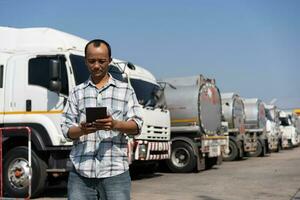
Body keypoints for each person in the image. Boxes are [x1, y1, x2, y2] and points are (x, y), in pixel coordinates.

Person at [61, 39, 143, 200]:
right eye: (91, 61)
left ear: (110, 61)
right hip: (81, 172)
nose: (96, 65)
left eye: (101, 61)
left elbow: (137, 126)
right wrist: (82, 129)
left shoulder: (125, 90)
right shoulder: (76, 92)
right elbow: (66, 130)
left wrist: (115, 124)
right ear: (85, 61)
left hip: (115, 172)